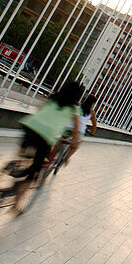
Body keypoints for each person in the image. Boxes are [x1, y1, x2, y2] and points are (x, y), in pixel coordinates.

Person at [14, 80, 84, 211]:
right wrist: (75, 142)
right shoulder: (74, 109)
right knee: (35, 170)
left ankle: (15, 165)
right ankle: (17, 202)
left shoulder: (53, 98)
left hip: (29, 126)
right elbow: (75, 130)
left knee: (24, 153)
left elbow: (40, 109)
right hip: (45, 136)